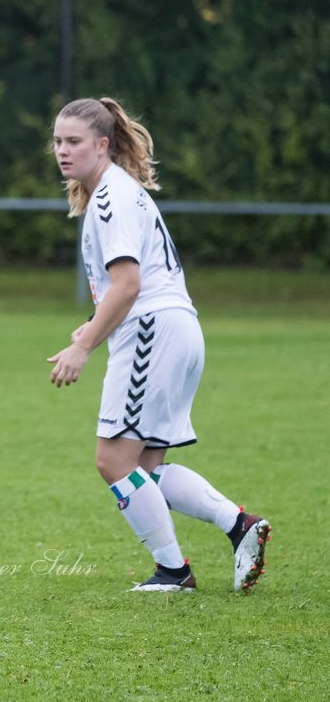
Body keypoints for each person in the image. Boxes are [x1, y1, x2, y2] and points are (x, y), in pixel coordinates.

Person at [47, 96, 270, 593]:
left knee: (113, 462)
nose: (63, 151)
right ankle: (240, 525)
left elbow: (128, 285)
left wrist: (84, 347)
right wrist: (91, 327)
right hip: (174, 328)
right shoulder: (117, 192)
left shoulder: (110, 197)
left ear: (102, 145)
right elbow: (126, 285)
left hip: (152, 331)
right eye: (58, 141)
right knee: (146, 468)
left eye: (74, 142)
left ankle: (173, 572)